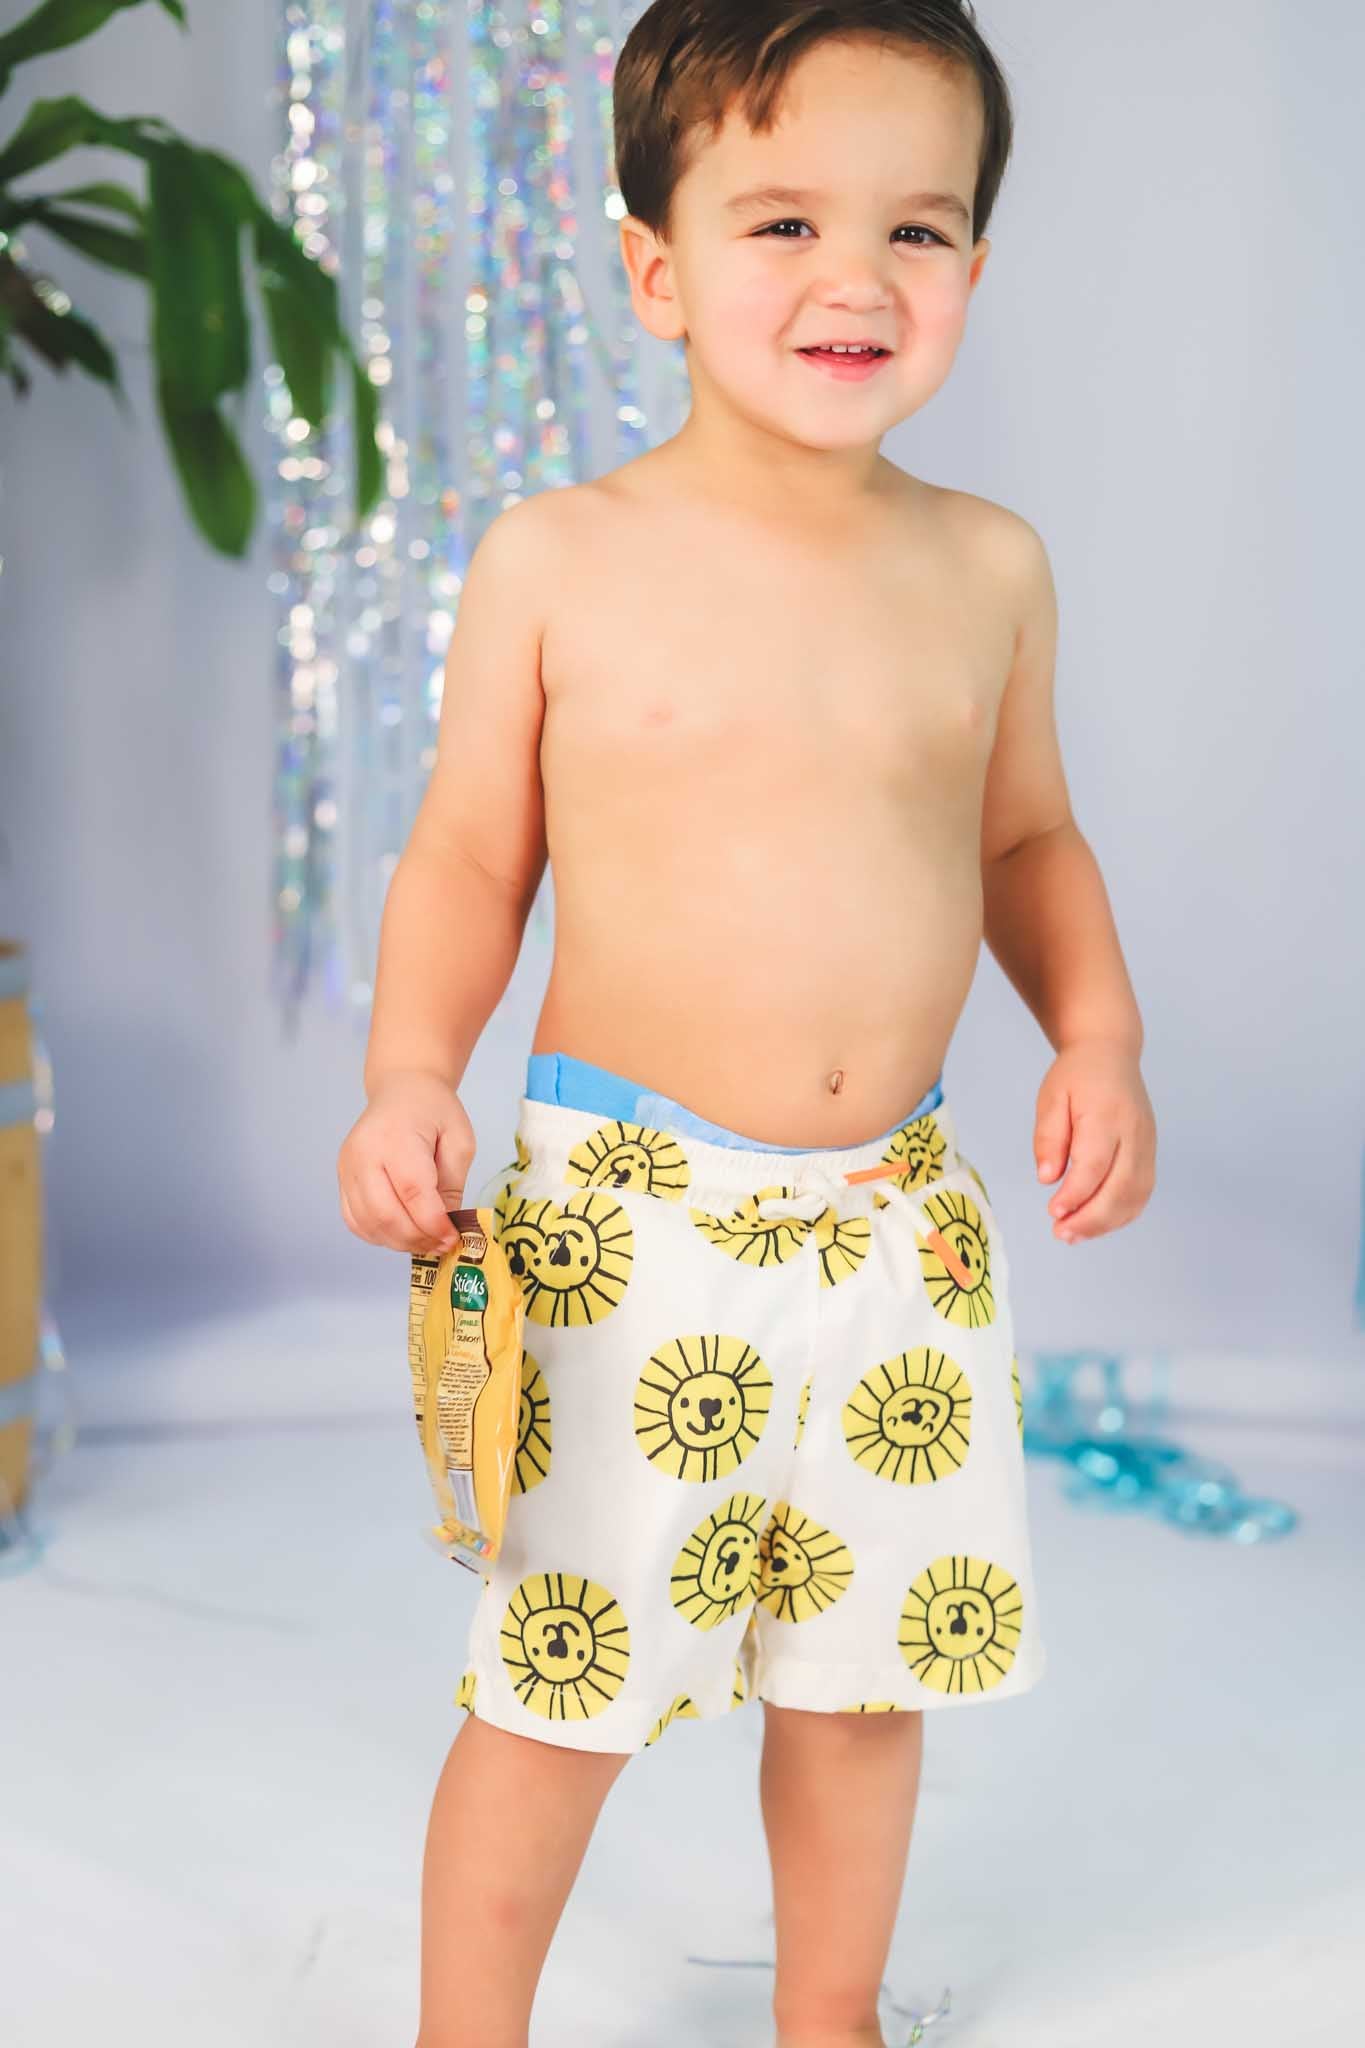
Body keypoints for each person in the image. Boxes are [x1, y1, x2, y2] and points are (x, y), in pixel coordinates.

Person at [337, 3, 1156, 2043]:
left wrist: (1096, 1037)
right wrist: (409, 1071)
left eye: (914, 228)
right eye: (781, 222)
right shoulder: (562, 560)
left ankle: (828, 2008)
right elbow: (467, 856)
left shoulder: (984, 568)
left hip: (893, 1222)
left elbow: (1026, 837)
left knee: (866, 1670)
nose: (851, 277)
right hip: (631, 1222)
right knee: (566, 1669)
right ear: (655, 268)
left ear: (971, 268)